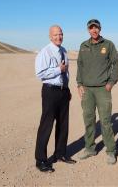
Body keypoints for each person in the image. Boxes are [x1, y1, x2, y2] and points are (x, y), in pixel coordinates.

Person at [76, 19, 118, 165]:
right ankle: (90, 148)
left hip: (102, 89)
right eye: (91, 28)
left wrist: (111, 82)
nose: (94, 30)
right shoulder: (84, 46)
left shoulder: (108, 45)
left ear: (100, 29)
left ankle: (111, 151)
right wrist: (79, 84)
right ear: (88, 30)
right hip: (87, 90)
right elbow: (80, 65)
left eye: (96, 28)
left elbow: (116, 63)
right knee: (88, 120)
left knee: (105, 121)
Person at [34, 25, 76, 173]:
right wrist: (58, 69)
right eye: (56, 34)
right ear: (50, 36)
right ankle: (41, 160)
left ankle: (60, 154)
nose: (59, 37)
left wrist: (67, 88)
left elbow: (66, 73)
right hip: (50, 91)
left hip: (63, 92)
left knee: (63, 124)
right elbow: (40, 73)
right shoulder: (45, 52)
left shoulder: (64, 51)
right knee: (46, 125)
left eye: (61, 34)